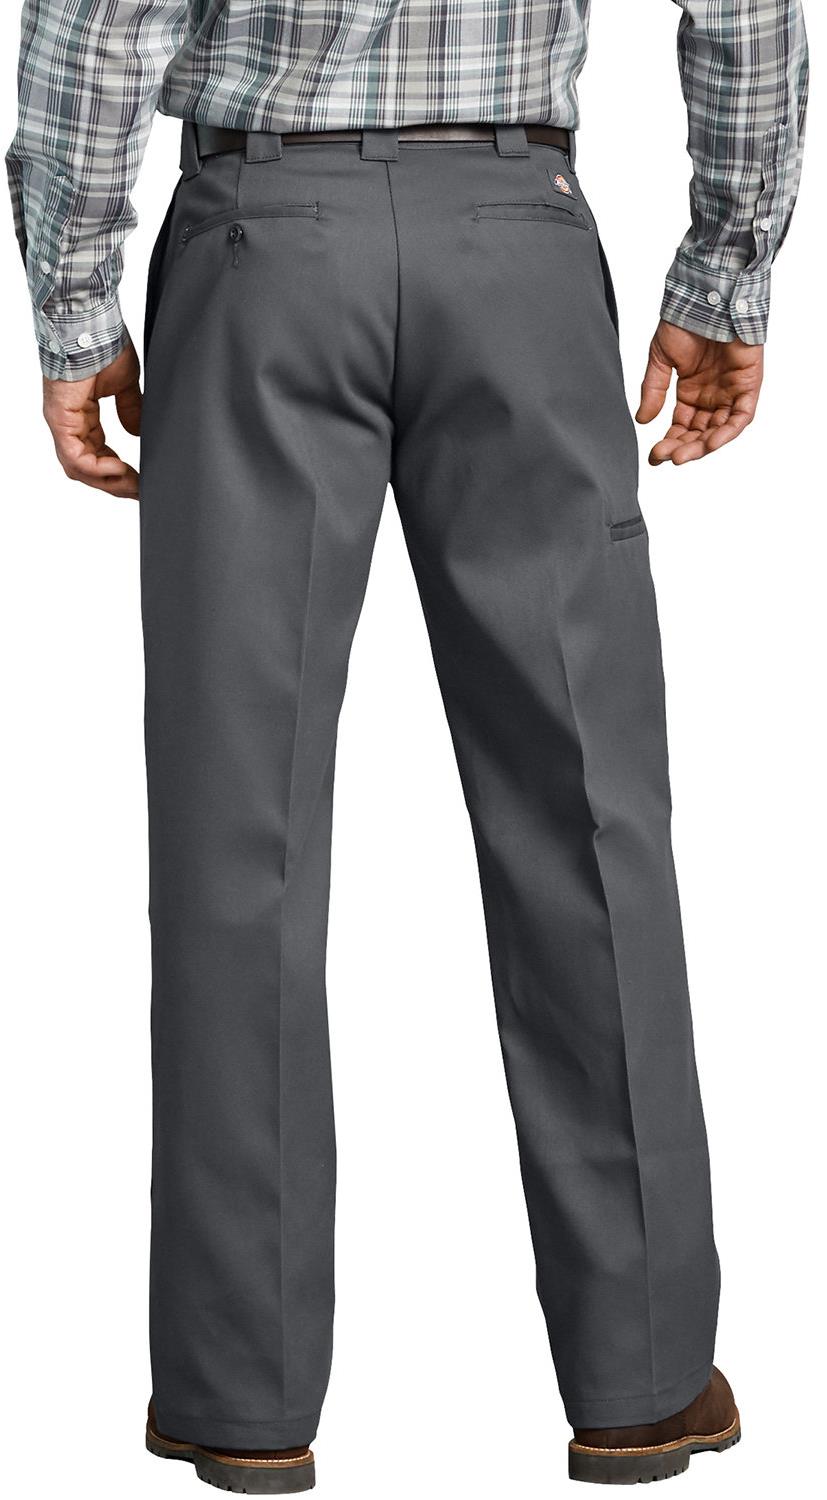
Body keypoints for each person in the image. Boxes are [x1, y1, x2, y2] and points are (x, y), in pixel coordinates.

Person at [7, 1, 808, 1492]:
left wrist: (75, 302)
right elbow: (744, 7)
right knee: (590, 817)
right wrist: (725, 264)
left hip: (258, 250)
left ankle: (239, 1395)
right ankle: (641, 1379)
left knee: (235, 838)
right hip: (516, 243)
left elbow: (101, 21)